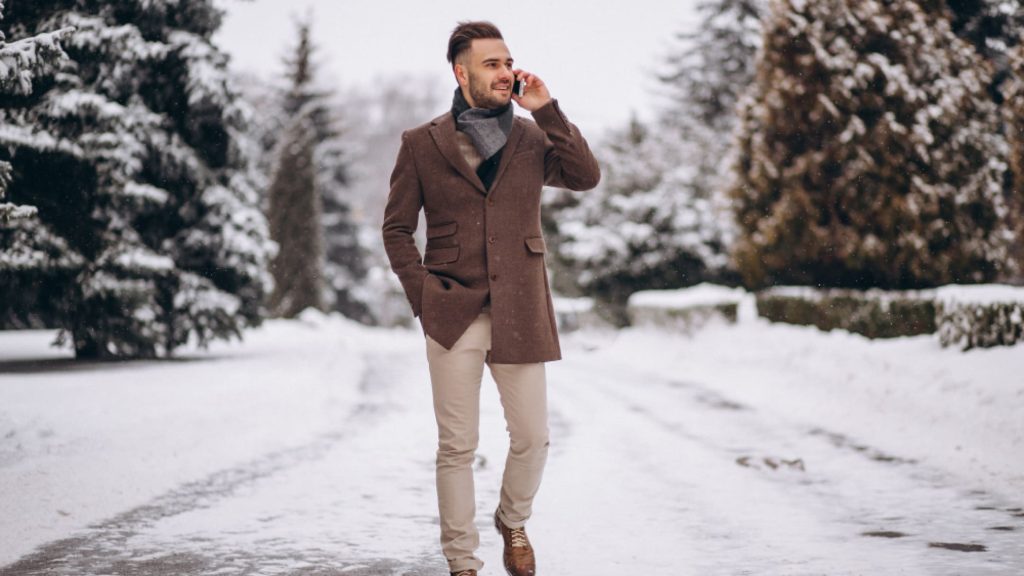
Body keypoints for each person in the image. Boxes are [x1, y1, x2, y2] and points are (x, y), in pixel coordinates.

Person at [381, 20, 600, 576]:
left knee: (532, 437)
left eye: (508, 62)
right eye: (491, 64)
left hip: (522, 307)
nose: (505, 72)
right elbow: (397, 229)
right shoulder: (421, 143)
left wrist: (547, 109)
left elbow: (584, 175)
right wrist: (424, 295)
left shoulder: (531, 137)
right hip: (452, 310)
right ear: (461, 72)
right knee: (457, 447)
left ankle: (512, 519)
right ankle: (463, 562)